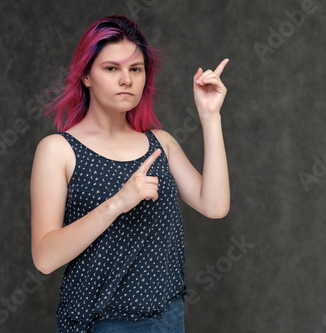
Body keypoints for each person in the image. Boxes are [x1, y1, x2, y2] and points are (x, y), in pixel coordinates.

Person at [30, 15, 230, 332]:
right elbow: (44, 257)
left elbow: (215, 205)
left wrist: (210, 116)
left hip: (166, 319)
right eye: (112, 69)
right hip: (97, 324)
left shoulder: (160, 144)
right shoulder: (58, 150)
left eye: (135, 69)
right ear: (86, 75)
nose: (127, 80)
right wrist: (117, 203)